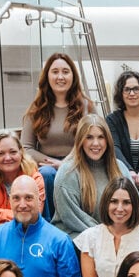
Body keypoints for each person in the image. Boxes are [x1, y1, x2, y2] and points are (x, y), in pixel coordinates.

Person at [21, 52, 95, 219]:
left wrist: (65, 164)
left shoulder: (86, 107)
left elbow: (97, 140)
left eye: (65, 71)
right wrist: (53, 164)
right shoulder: (36, 109)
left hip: (79, 165)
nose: (60, 76)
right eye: (55, 72)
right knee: (47, 173)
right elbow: (26, 148)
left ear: (73, 76)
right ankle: (48, 224)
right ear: (47, 76)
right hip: (46, 167)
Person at [51, 114, 132, 238]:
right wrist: (106, 236)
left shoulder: (120, 168)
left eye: (101, 137)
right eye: (89, 137)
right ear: (80, 140)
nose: (96, 143)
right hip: (78, 236)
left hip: (116, 235)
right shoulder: (67, 173)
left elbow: (133, 206)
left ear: (108, 140)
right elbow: (73, 218)